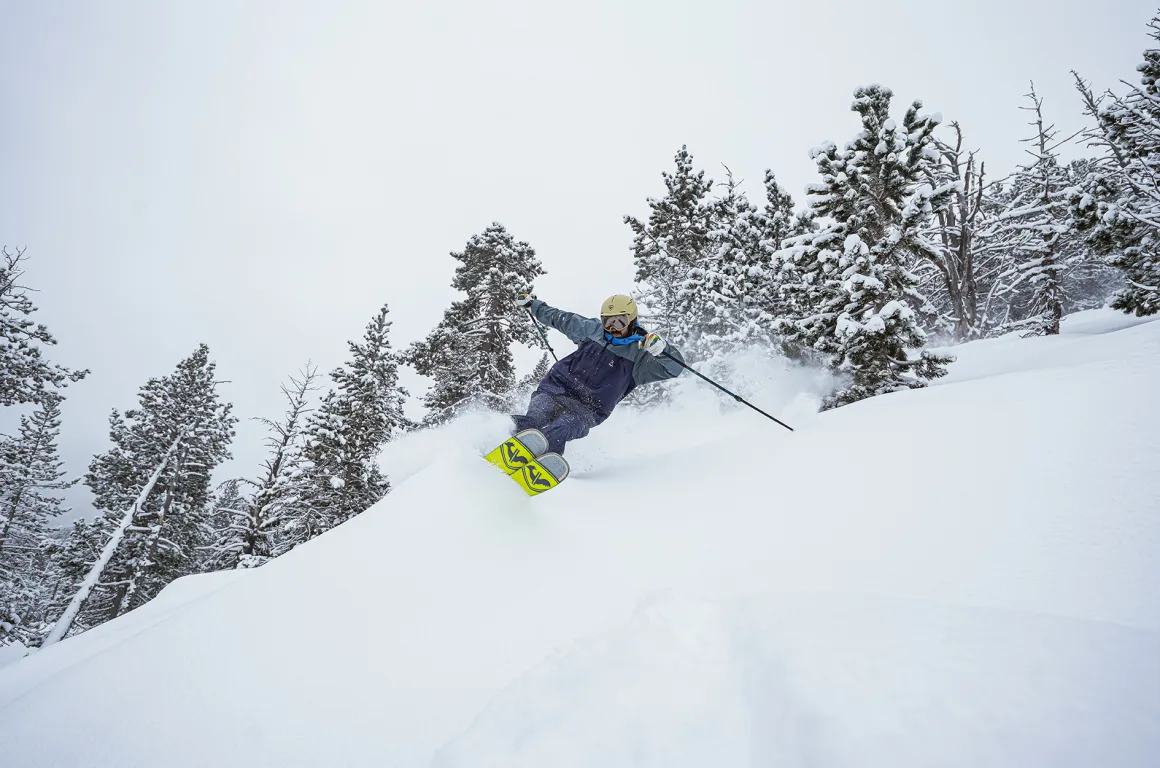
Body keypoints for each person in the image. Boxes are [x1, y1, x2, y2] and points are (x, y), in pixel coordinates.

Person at [512, 293, 685, 455]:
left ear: (632, 320)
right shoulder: (592, 330)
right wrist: (534, 305)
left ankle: (543, 464)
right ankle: (499, 440)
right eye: (607, 322)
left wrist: (662, 351)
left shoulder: (640, 356)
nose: (612, 328)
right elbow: (560, 318)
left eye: (619, 322)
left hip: (588, 408)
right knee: (533, 420)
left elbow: (674, 368)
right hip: (555, 387)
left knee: (559, 430)